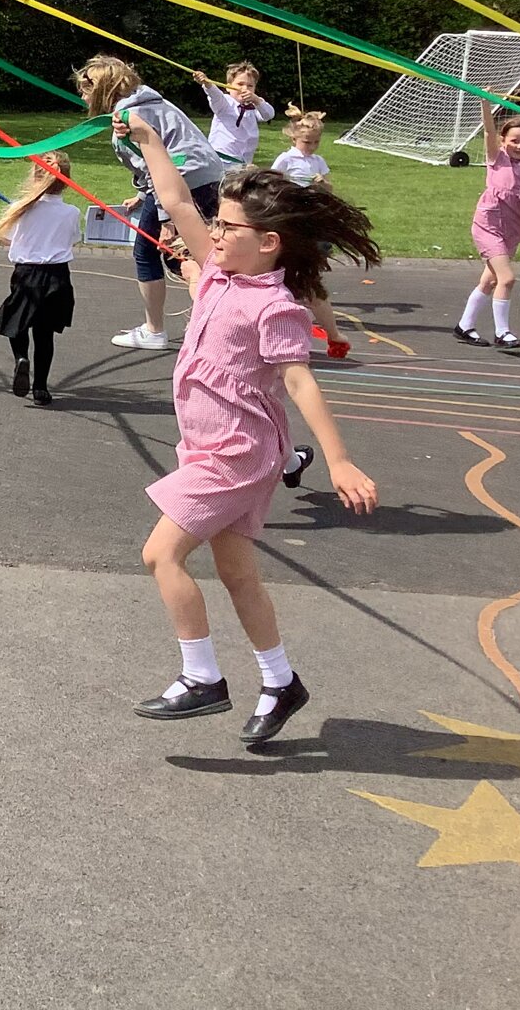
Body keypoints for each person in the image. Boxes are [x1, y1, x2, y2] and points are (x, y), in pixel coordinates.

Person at [120, 111, 381, 745]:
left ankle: (202, 677)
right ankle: (280, 680)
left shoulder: (276, 305)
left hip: (237, 453)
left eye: (227, 226)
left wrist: (339, 460)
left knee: (161, 553)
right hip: (204, 447)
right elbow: (177, 199)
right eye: (216, 223)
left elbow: (299, 383)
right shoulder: (215, 271)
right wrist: (150, 141)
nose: (212, 230)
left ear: (267, 242)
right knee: (237, 574)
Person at [77, 54, 227, 351]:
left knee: (156, 254)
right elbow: (166, 155)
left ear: (103, 90)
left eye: (85, 89)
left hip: (183, 186)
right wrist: (145, 196)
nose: (82, 95)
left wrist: (166, 219)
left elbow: (155, 167)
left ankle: (160, 329)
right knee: (205, 253)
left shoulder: (125, 123)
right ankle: (223, 323)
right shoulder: (156, 102)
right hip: (209, 178)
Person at [455, 93, 520, 349]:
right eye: (514, 141)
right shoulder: (497, 157)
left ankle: (464, 326)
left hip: (514, 224)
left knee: (489, 281)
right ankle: (503, 332)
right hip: (489, 223)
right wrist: (485, 104)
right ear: (503, 141)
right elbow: (488, 132)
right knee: (506, 279)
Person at [0, 153, 81, 406]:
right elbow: (72, 240)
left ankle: (21, 358)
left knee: (14, 322)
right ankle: (41, 387)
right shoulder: (71, 212)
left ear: (34, 177)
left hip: (26, 274)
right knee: (45, 334)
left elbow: (5, 238)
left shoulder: (20, 208)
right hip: (58, 277)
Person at [271, 112, 350, 358]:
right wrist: (285, 183)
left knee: (311, 271)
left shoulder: (317, 161)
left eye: (316, 142)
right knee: (292, 272)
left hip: (311, 217)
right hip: (291, 216)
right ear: (295, 138)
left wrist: (321, 184)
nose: (311, 147)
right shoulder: (286, 158)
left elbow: (329, 187)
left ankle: (330, 331)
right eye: (307, 142)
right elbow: (272, 181)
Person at [193, 62, 276, 169]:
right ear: (228, 87)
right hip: (221, 160)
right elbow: (215, 95)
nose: (245, 89)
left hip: (243, 164)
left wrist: (256, 100)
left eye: (250, 86)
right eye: (240, 84)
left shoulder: (254, 106)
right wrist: (207, 83)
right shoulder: (225, 103)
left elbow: (268, 115)